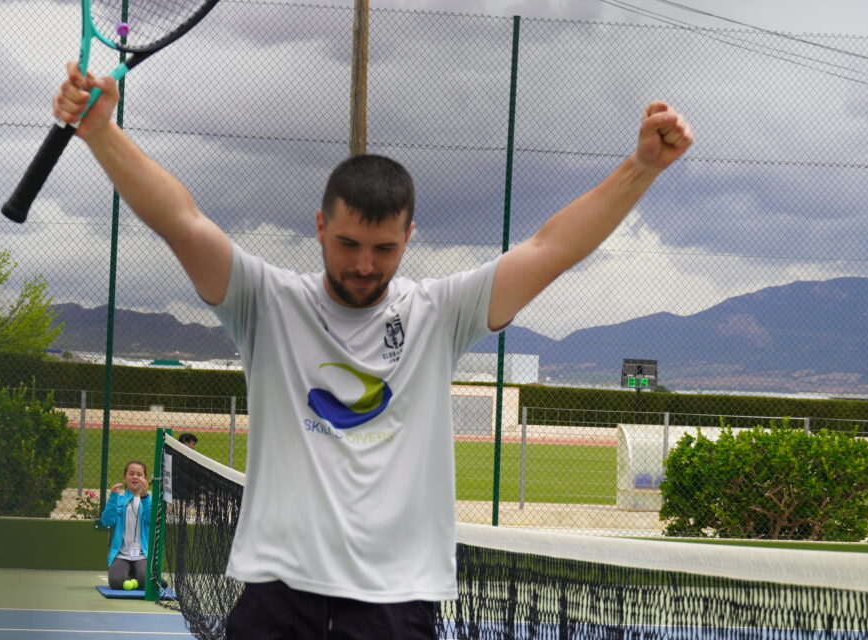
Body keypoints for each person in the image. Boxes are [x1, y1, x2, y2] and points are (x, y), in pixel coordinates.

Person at [52, 62, 692, 638]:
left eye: (384, 249)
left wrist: (642, 167)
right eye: (349, 244)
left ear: (409, 235)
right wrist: (104, 132)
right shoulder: (267, 304)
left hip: (396, 603)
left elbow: (550, 249)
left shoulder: (438, 314)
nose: (364, 265)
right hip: (278, 597)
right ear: (321, 226)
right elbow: (182, 219)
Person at [100, 460, 150, 590]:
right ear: (125, 477)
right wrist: (113, 498)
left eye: (139, 474)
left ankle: (138, 575)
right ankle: (131, 575)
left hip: (142, 554)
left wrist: (144, 497)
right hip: (121, 554)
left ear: (145, 478)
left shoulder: (150, 500)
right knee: (116, 583)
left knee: (145, 580)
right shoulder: (119, 499)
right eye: (131, 473)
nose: (135, 477)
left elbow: (153, 519)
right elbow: (107, 521)